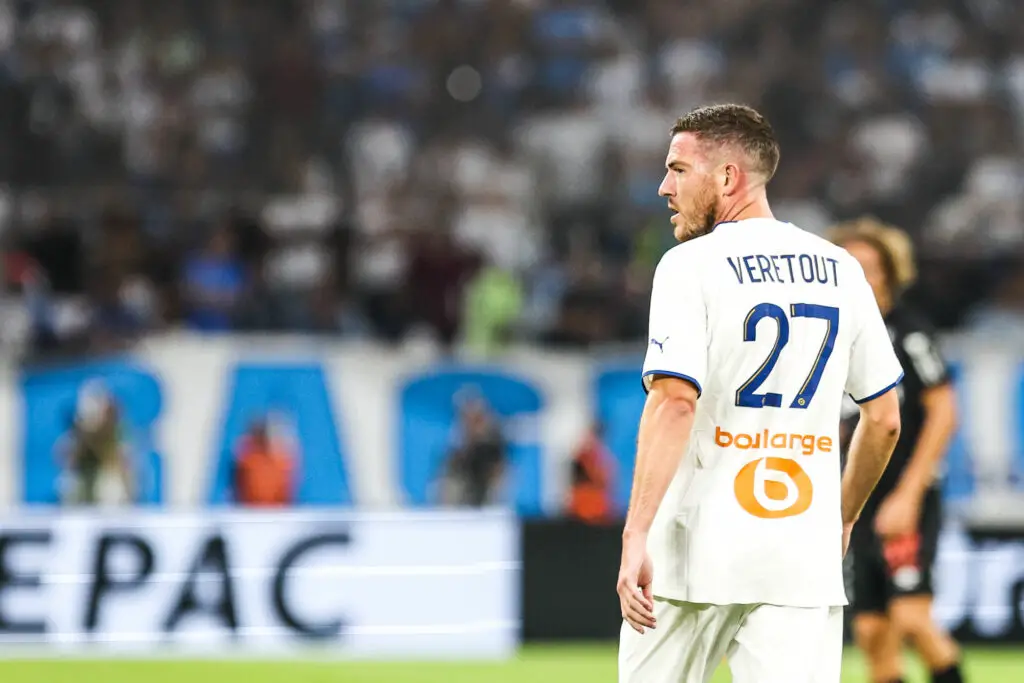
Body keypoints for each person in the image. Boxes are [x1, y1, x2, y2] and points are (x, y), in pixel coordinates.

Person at [616, 104, 904, 683]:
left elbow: (675, 402)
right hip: (799, 556)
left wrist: (635, 531)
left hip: (693, 554)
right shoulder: (843, 269)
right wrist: (842, 518)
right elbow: (884, 419)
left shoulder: (689, 265)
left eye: (678, 169)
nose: (664, 187)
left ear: (728, 177)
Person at [829, 217, 965, 683]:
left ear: (890, 274)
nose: (861, 277)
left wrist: (909, 494)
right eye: (850, 266)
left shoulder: (909, 334)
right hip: (856, 498)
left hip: (903, 495)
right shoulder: (830, 336)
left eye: (870, 267)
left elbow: (944, 411)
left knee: (911, 618)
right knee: (871, 632)